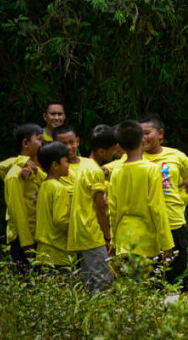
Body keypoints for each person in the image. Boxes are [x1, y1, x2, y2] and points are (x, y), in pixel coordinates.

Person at [139, 113, 188, 289]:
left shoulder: (176, 155)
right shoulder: (132, 158)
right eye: (139, 133)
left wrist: (181, 200)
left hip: (172, 222)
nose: (143, 138)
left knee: (176, 271)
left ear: (160, 134)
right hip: (145, 225)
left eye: (146, 132)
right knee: (149, 274)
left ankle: (178, 310)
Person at [108, 120, 173, 264]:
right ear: (142, 140)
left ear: (120, 145)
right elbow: (157, 208)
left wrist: (113, 241)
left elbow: (112, 210)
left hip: (123, 240)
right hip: (146, 241)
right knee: (145, 285)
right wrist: (167, 243)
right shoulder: (151, 169)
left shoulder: (117, 171)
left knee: (128, 284)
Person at [68, 124, 117, 290]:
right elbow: (101, 207)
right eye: (112, 150)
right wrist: (107, 236)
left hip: (80, 231)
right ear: (102, 152)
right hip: (91, 232)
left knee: (89, 281)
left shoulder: (83, 166)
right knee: (106, 280)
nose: (114, 153)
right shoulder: (95, 171)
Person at [3, 123, 45, 269]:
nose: (42, 143)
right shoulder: (15, 175)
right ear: (26, 143)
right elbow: (18, 212)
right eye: (39, 139)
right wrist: (27, 244)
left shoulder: (34, 169)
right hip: (22, 240)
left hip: (36, 235)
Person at [35, 142, 74, 268]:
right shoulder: (59, 188)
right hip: (58, 253)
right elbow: (60, 220)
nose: (69, 165)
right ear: (55, 165)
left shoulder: (44, 185)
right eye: (66, 161)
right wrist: (77, 228)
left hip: (43, 251)